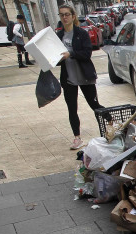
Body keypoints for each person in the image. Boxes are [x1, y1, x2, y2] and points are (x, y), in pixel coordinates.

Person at [56, 3, 105, 150]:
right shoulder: (58, 36)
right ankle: (77, 138)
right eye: (61, 15)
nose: (64, 17)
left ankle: (109, 123)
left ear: (73, 16)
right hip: (68, 78)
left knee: (94, 104)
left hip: (84, 76)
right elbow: (56, 58)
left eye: (67, 14)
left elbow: (87, 53)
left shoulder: (81, 33)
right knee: (72, 108)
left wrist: (71, 54)